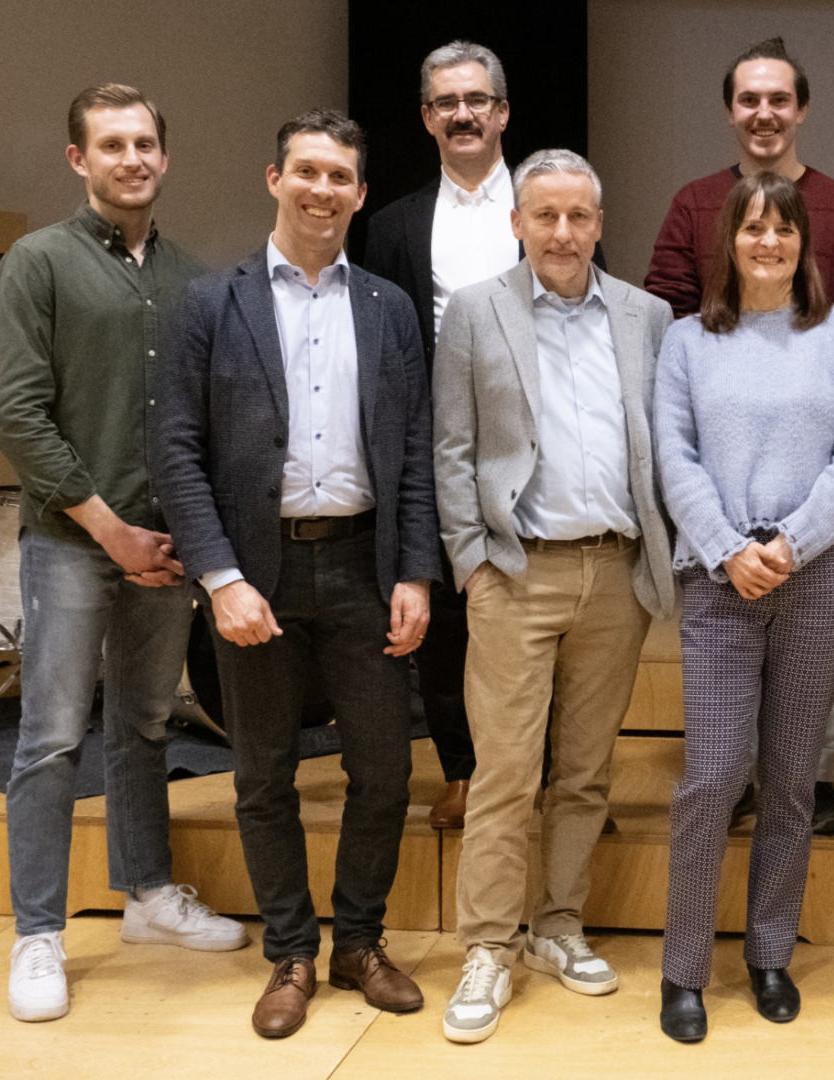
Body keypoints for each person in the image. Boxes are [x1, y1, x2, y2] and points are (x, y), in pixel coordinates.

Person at [156, 109, 439, 1039]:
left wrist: (415, 572)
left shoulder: (390, 309)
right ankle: (291, 950)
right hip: (257, 571)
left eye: (341, 178)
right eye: (306, 172)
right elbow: (178, 454)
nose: (323, 190)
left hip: (364, 565)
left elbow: (415, 456)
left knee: (386, 773)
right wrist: (219, 576)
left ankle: (359, 941)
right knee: (264, 775)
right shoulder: (211, 302)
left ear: (360, 193)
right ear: (272, 177)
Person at [0, 82, 247, 1025]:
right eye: (112, 145)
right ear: (78, 159)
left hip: (166, 546)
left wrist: (176, 534)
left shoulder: (194, 280)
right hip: (74, 541)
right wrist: (111, 530)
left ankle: (148, 897)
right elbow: (17, 411)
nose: (131, 159)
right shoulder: (37, 263)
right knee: (52, 737)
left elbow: (209, 419)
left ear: (164, 158)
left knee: (142, 727)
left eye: (145, 143)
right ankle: (39, 934)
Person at [430, 150, 676, 1044]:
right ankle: (489, 946)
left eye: (579, 217)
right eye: (547, 217)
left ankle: (558, 926)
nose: (564, 233)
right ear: (518, 223)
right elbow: (452, 449)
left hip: (617, 573)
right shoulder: (473, 313)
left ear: (600, 224)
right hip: (515, 573)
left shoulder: (649, 316)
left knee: (583, 772)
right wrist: (469, 563)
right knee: (503, 774)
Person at [654, 170, 834, 1043]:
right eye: (751, 228)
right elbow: (674, 457)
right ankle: (683, 969)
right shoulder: (686, 342)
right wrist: (728, 548)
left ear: (802, 243)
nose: (768, 242)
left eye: (782, 229)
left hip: (817, 571)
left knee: (791, 777)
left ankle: (769, 952)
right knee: (713, 778)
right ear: (730, 242)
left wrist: (793, 543)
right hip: (719, 575)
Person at [645, 34, 834, 834]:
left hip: (812, 439)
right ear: (730, 111)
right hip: (722, 450)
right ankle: (738, 785)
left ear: (801, 109)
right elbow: (665, 313)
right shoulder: (692, 204)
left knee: (806, 690)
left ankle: (805, 785)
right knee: (721, 725)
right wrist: (732, 370)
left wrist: (821, 360)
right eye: (749, 99)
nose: (763, 112)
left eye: (778, 98)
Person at [360, 39, 515, 829]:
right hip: (437, 451)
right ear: (427, 118)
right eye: (446, 102)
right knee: (450, 621)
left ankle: (538, 776)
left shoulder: (552, 208)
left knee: (537, 611)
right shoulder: (390, 228)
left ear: (502, 112)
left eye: (476, 100)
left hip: (538, 455)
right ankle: (462, 770)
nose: (463, 113)